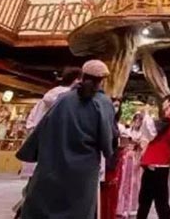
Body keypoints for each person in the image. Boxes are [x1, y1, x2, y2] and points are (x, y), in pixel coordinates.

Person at [17, 60, 116, 219]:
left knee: (44, 206)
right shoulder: (103, 103)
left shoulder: (63, 99)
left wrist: (33, 153)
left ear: (82, 76)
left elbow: (42, 128)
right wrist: (110, 153)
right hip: (83, 171)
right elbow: (107, 138)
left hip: (53, 164)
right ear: (103, 80)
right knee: (77, 211)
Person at [14, 67, 83, 218]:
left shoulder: (50, 95)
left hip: (42, 147)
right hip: (53, 149)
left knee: (36, 185)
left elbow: (31, 122)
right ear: (76, 80)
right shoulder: (67, 97)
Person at [137, 95, 170, 219]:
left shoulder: (168, 119)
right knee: (155, 200)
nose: (163, 103)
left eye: (165, 101)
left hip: (157, 164)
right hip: (158, 164)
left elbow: (152, 131)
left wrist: (146, 114)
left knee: (152, 199)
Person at [118, 112, 145, 218]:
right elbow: (122, 142)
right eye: (136, 120)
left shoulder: (142, 134)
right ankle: (122, 207)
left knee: (134, 183)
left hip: (135, 159)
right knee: (124, 181)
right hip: (125, 158)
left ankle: (131, 207)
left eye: (139, 120)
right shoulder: (127, 131)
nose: (137, 122)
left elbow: (143, 146)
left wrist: (138, 144)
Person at [100, 97, 123, 219]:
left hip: (113, 161)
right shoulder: (106, 121)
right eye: (114, 105)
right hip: (105, 162)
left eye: (118, 106)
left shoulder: (114, 122)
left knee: (111, 194)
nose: (116, 108)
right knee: (104, 194)